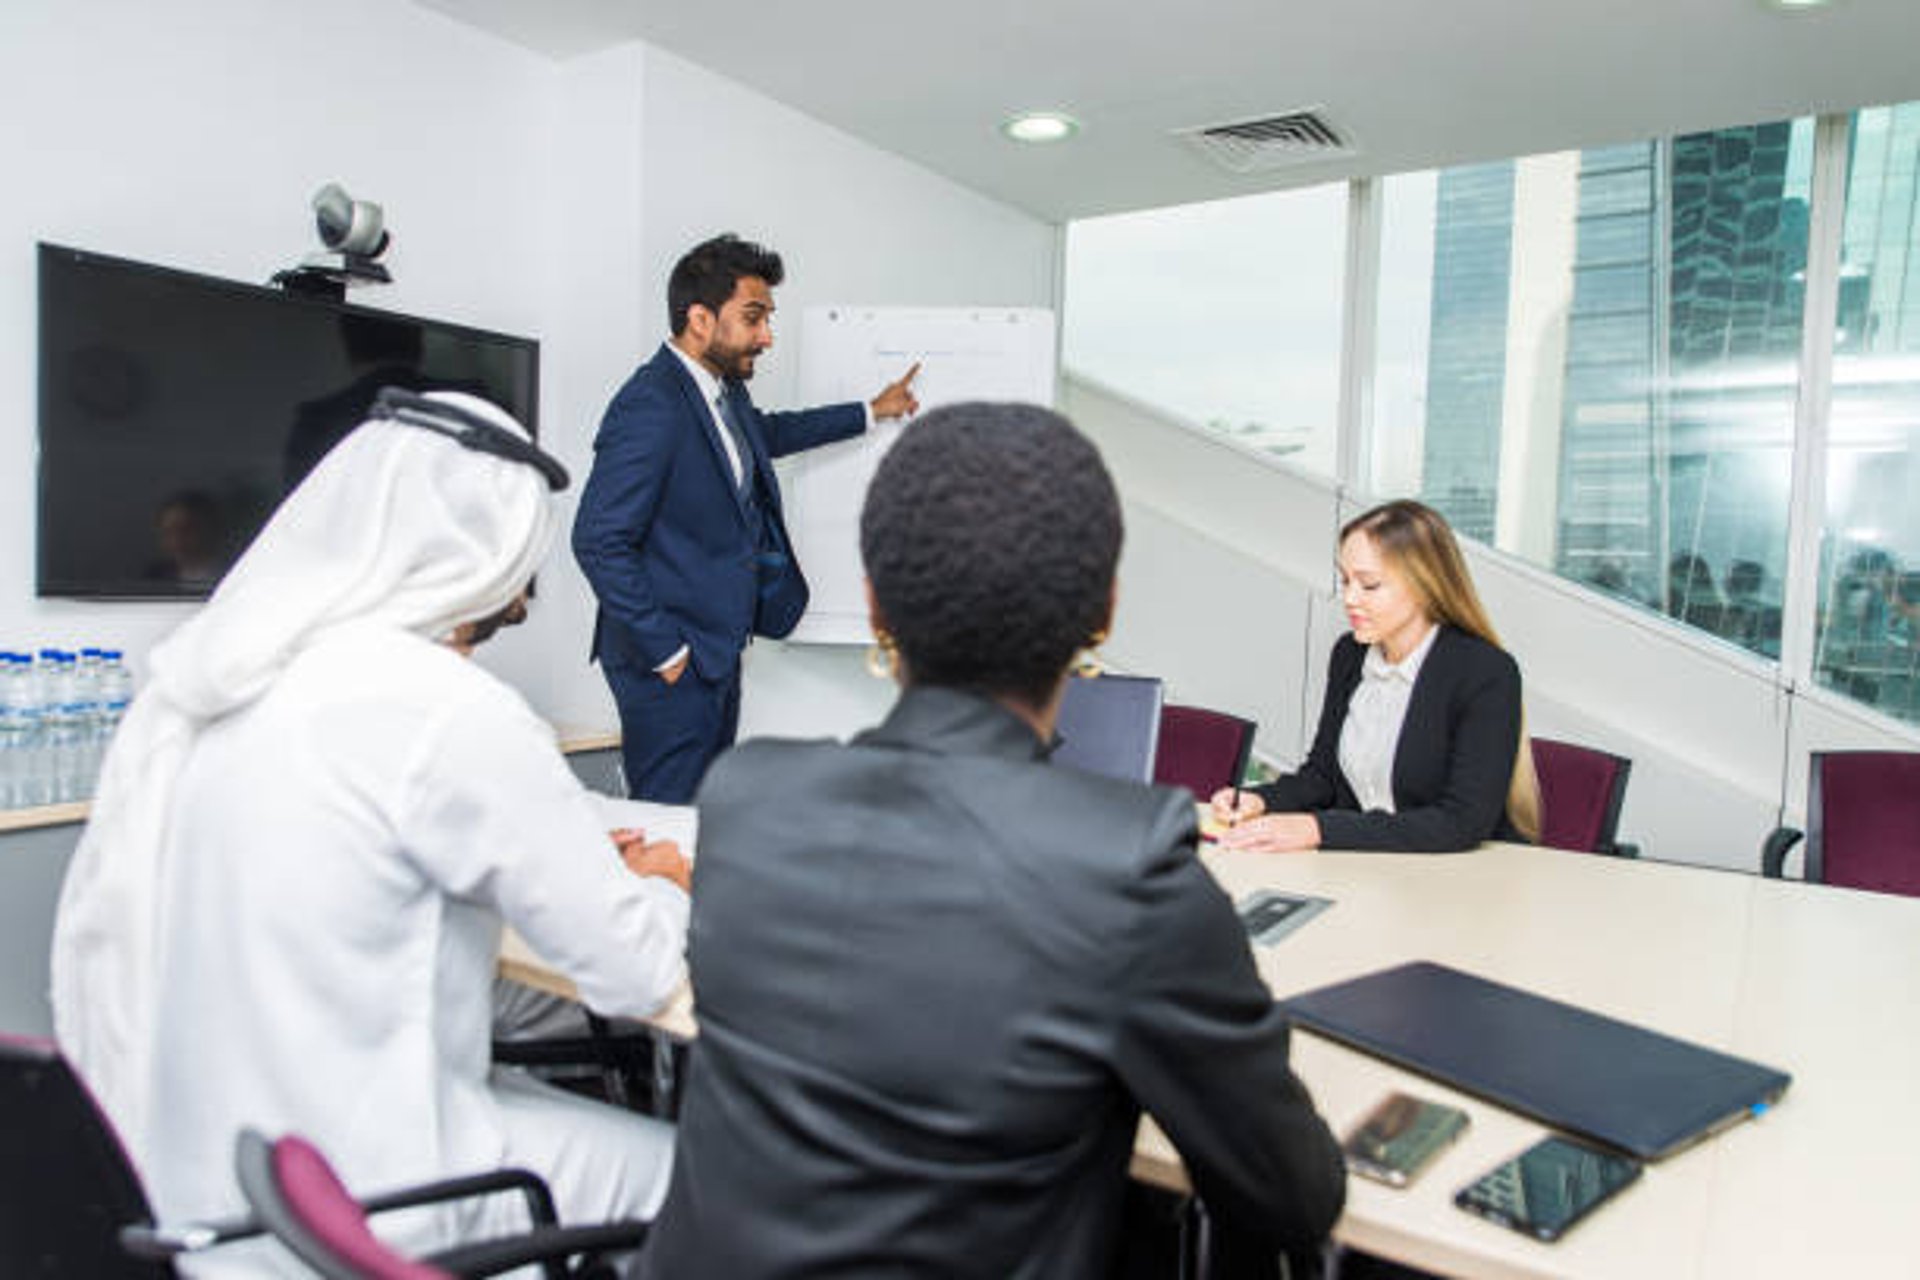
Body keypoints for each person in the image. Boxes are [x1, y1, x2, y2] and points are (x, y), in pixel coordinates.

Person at [641, 403, 1346, 1279]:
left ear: (873, 602)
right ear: (1103, 610)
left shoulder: (748, 799)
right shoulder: (1130, 868)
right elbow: (1293, 1198)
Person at [50, 389, 691, 1275]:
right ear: (496, 551)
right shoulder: (448, 708)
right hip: (383, 1191)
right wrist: (660, 879)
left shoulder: (228, 678)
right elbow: (635, 972)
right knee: (695, 1177)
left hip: (218, 1189)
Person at [573, 233, 921, 803]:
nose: (767, 337)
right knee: (669, 819)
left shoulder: (721, 392)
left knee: (705, 816)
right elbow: (598, 539)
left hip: (717, 652)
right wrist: (668, 652)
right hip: (671, 666)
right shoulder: (651, 403)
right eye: (753, 317)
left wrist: (870, 411)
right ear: (700, 319)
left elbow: (769, 434)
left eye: (768, 319)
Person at [1214, 499, 1540, 853]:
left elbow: (1460, 822)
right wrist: (1259, 801)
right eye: (1345, 580)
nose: (1350, 598)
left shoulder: (1484, 671)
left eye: (1368, 585)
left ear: (1424, 584)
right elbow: (1322, 777)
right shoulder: (1350, 655)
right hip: (1371, 869)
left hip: (1458, 881)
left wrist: (1317, 828)